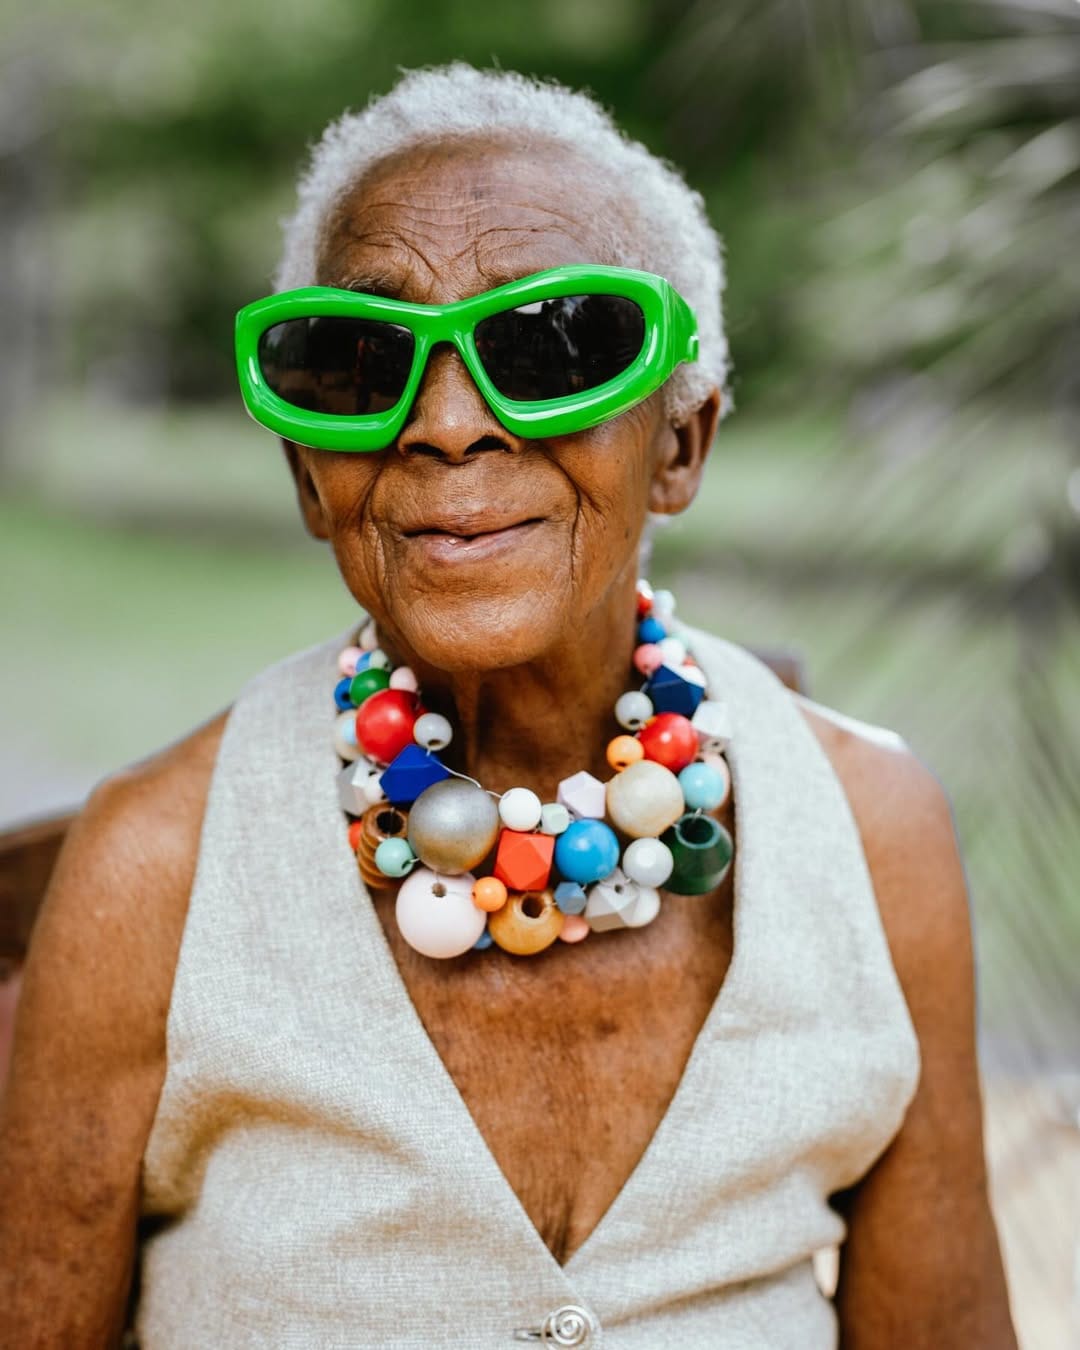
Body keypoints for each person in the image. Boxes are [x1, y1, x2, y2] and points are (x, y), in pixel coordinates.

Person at [0, 63, 1016, 1349]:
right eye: (363, 359)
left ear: (681, 446)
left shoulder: (876, 836)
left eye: (555, 346)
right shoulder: (153, 868)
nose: (450, 424)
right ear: (313, 482)